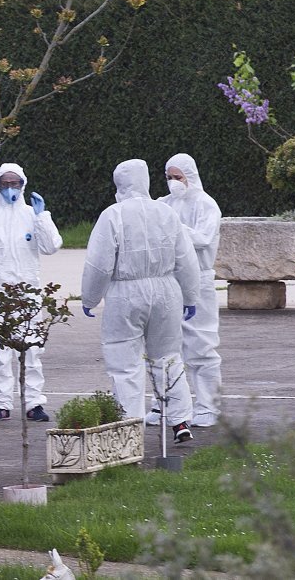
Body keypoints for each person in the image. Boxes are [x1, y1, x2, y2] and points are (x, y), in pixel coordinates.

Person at [81, 159, 199, 443]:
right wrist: (190, 295)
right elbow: (185, 258)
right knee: (168, 355)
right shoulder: (166, 213)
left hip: (125, 293)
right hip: (166, 291)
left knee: (124, 361)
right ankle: (180, 420)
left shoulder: (113, 215)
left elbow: (99, 263)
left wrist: (90, 297)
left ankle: (129, 426)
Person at [0, 163, 63, 423]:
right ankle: (0, 403)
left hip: (27, 291)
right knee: (0, 351)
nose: (10, 188)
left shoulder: (32, 215)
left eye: (15, 183)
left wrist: (42, 218)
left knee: (32, 351)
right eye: (5, 183)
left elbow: (52, 246)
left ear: (23, 184)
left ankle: (34, 403)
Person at [149, 153, 223, 428]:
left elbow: (203, 239)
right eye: (169, 177)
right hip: (168, 280)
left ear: (190, 176)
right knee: (165, 345)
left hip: (198, 280)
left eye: (178, 177)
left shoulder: (205, 205)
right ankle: (165, 405)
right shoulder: (164, 204)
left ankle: (209, 405)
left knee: (201, 344)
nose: (173, 183)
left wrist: (172, 226)